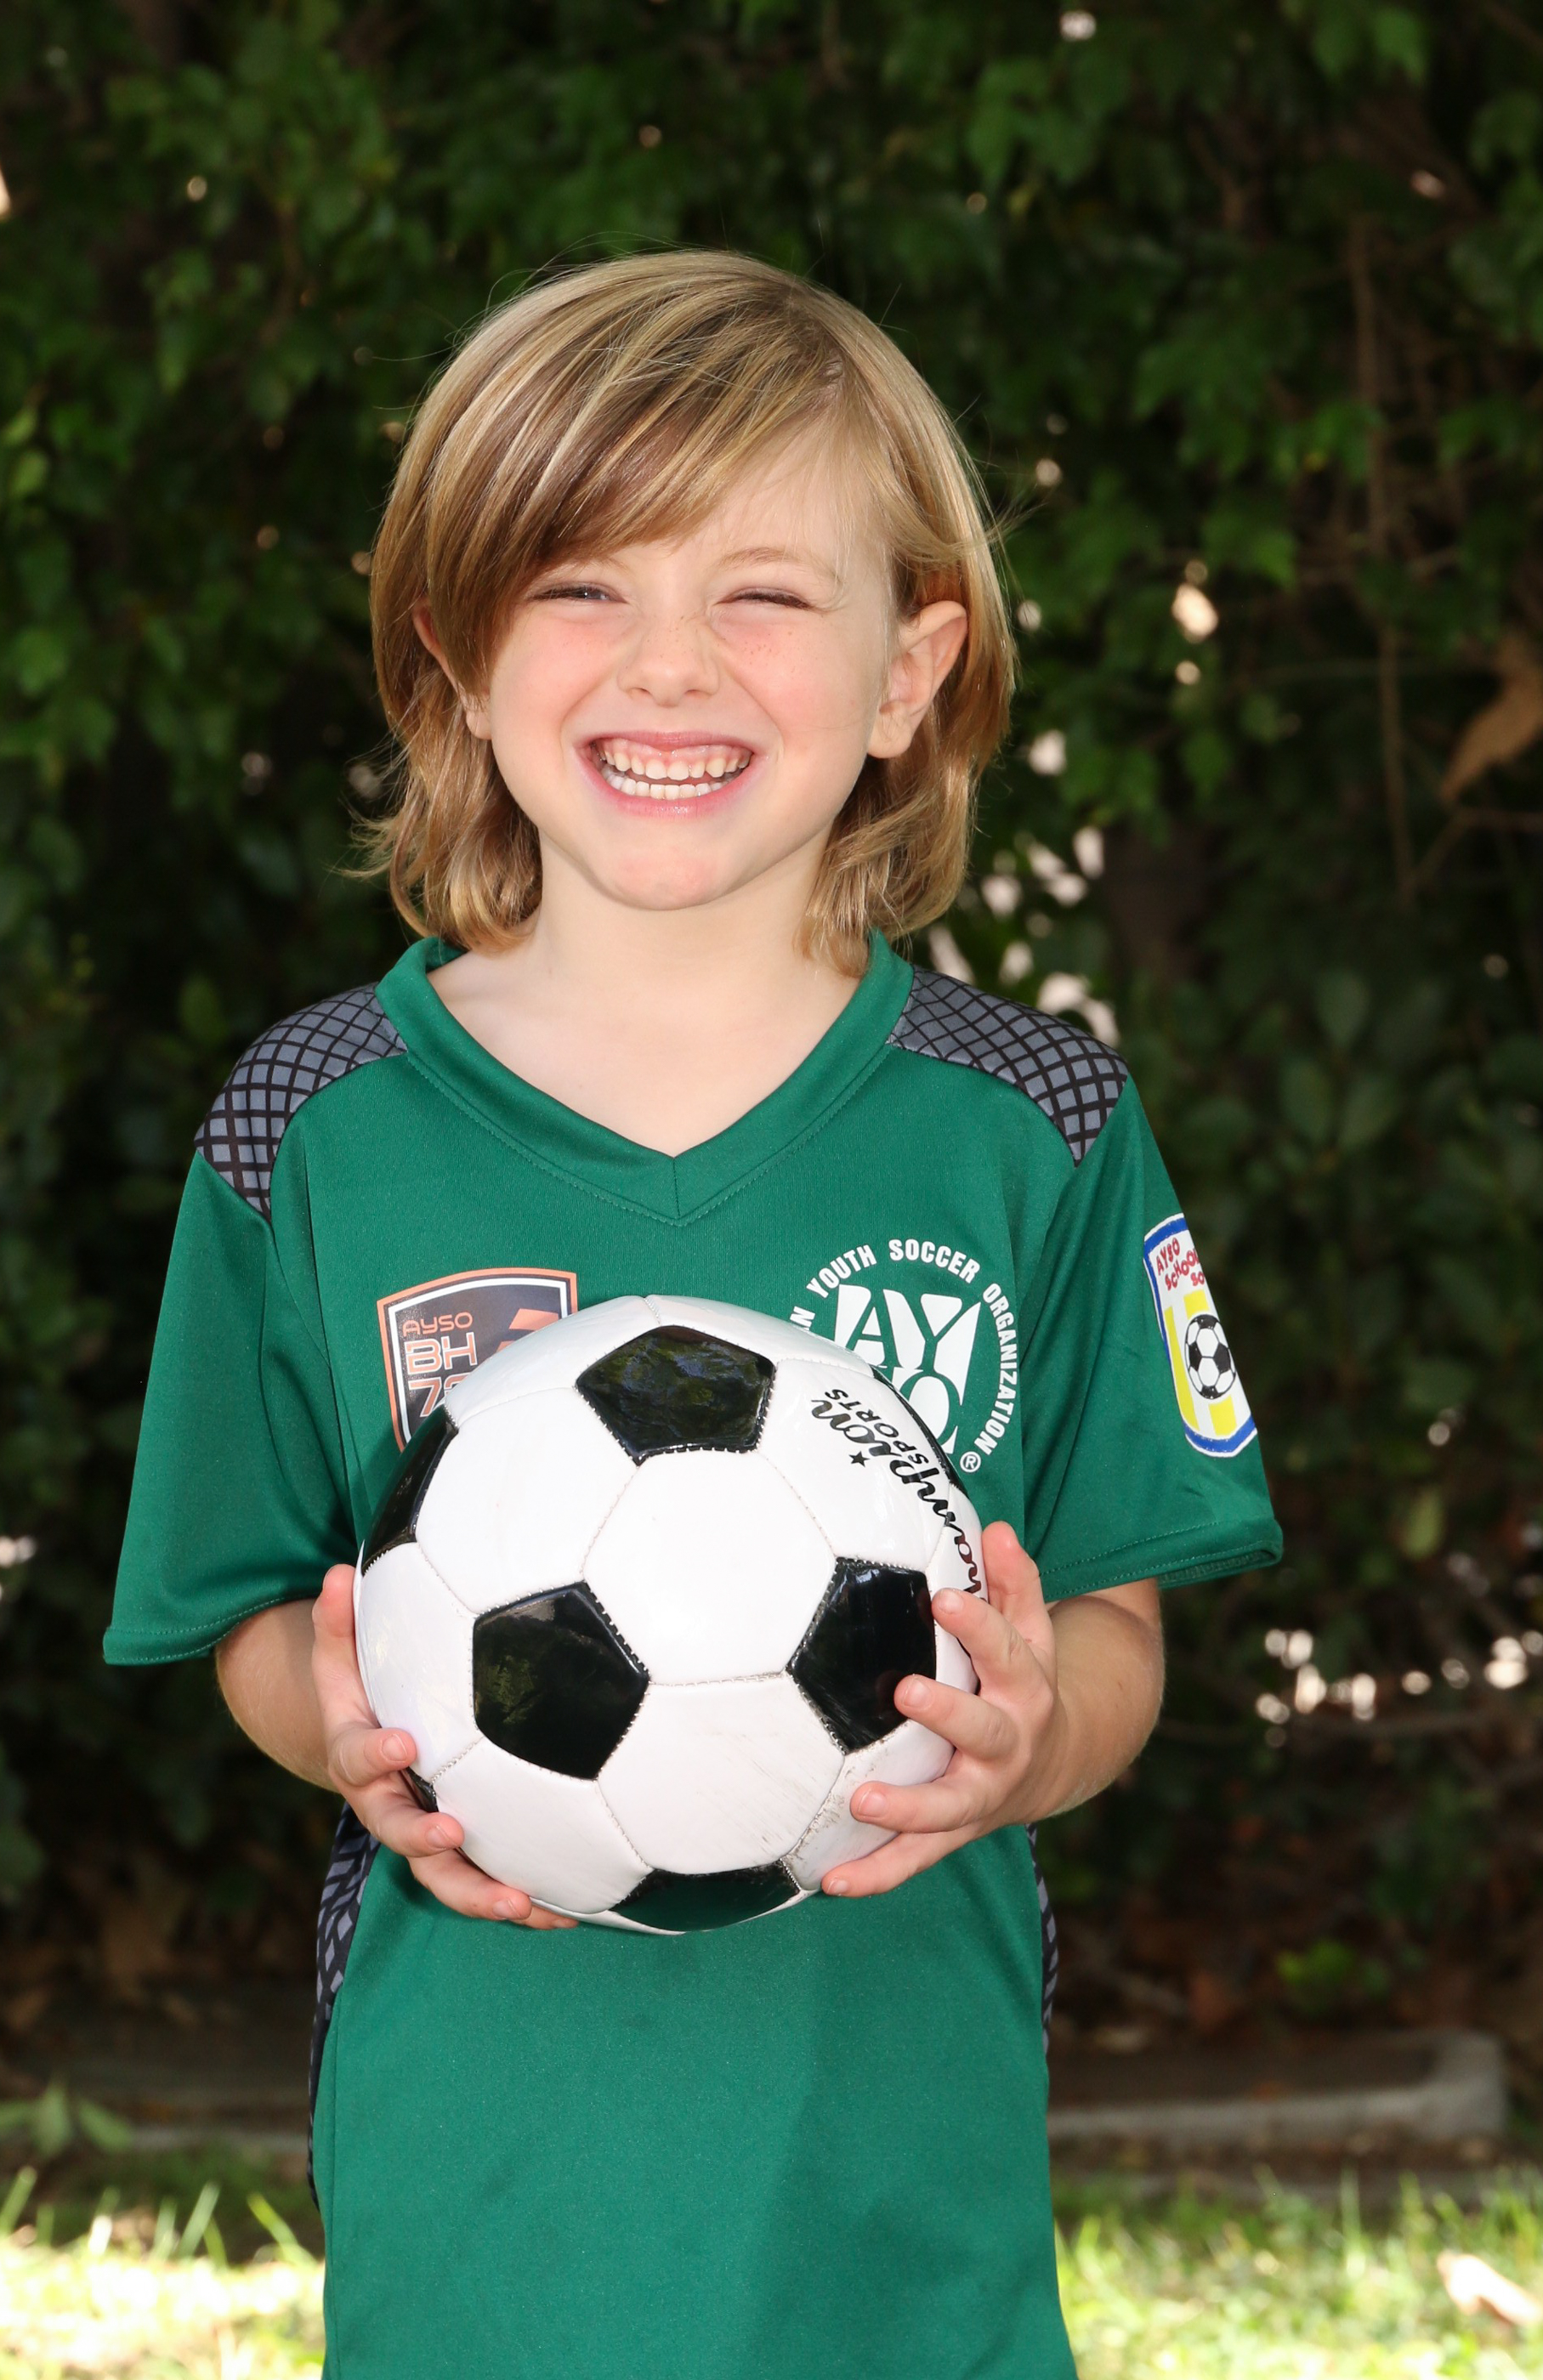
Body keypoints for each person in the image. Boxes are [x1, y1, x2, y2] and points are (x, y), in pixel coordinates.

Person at [105, 252, 1280, 2378]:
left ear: (908, 669)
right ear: (457, 655)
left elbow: (1116, 1626)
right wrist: (343, 1730)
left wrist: (1029, 1741)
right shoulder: (309, 1128)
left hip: (899, 2216)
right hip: (481, 2216)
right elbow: (253, 1620)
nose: (671, 662)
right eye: (581, 585)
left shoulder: (1037, 1126)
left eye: (760, 592)